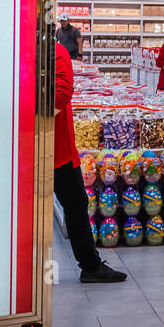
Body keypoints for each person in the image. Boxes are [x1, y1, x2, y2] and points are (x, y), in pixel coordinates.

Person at [54, 31, 126, 282]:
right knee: (75, 204)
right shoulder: (54, 52)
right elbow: (60, 94)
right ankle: (90, 266)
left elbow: (60, 94)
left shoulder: (51, 53)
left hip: (46, 150)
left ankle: (90, 265)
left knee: (74, 204)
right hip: (55, 152)